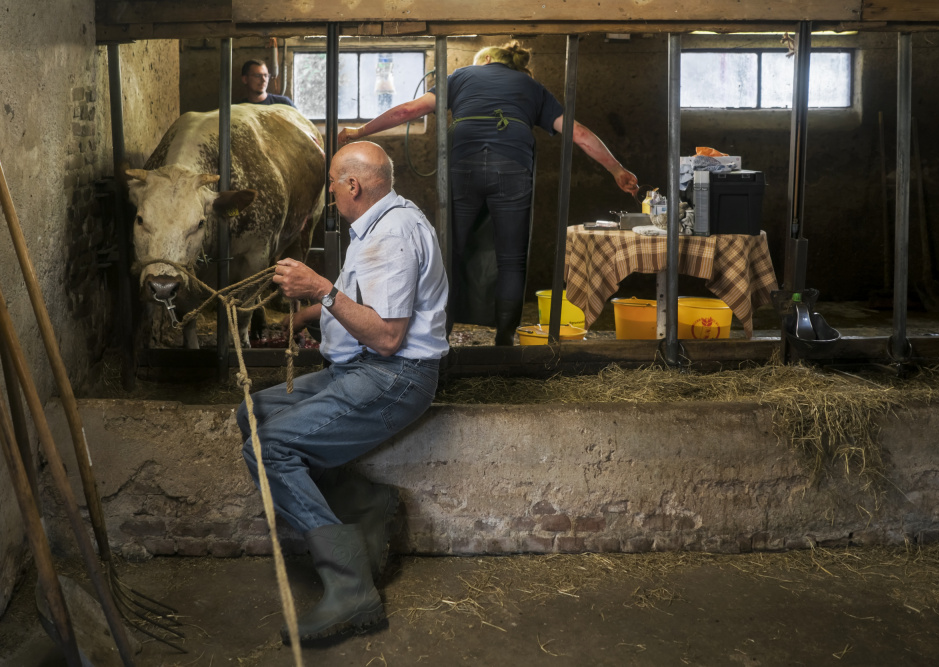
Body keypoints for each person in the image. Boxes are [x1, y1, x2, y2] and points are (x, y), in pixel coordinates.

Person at [236, 141, 448, 643]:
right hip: (361, 367)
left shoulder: (391, 235)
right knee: (253, 412)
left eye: (332, 182)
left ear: (352, 185)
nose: (329, 192)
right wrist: (309, 315)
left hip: (393, 377)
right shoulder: (385, 217)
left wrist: (320, 290)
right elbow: (369, 301)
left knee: (267, 449)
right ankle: (365, 505)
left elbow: (388, 337)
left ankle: (352, 590)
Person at [339, 40, 639, 345]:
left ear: (485, 61)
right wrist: (617, 169)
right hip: (513, 169)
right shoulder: (532, 86)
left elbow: (408, 109)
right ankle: (505, 340)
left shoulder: (461, 76)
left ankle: (438, 334)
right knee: (511, 259)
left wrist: (359, 132)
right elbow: (580, 133)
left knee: (450, 253)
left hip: (464, 167)